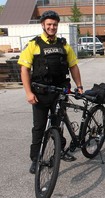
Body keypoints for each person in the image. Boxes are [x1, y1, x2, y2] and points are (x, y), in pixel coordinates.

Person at [18, 10, 84, 174]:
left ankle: (59, 152)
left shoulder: (63, 45)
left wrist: (79, 85)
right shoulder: (33, 45)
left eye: (54, 24)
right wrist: (28, 93)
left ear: (57, 25)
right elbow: (24, 70)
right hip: (40, 94)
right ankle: (36, 159)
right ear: (43, 25)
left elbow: (73, 66)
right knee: (39, 128)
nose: (52, 27)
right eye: (49, 24)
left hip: (59, 92)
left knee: (58, 124)